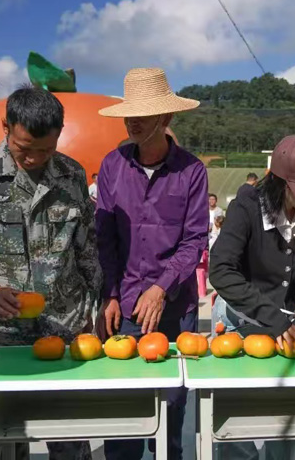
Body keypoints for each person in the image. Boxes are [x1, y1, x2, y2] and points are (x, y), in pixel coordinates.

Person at [0, 87, 101, 460]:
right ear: (5, 127)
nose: (33, 158)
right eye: (24, 148)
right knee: (7, 440)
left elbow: (87, 248)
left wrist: (96, 305)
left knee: (71, 439)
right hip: (2, 334)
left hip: (64, 328)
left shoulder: (71, 174)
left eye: (45, 149)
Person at [95, 67, 208, 460]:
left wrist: (162, 287)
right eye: (130, 114)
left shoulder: (192, 171)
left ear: (167, 118)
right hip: (123, 307)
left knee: (171, 416)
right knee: (123, 414)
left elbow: (195, 240)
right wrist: (109, 294)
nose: (133, 122)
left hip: (176, 309)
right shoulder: (112, 166)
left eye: (143, 114)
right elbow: (105, 237)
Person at [209, 134, 295, 460]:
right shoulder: (246, 208)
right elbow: (221, 271)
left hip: (286, 326)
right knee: (237, 429)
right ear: (279, 181)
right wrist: (274, 319)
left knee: (282, 423)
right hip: (240, 321)